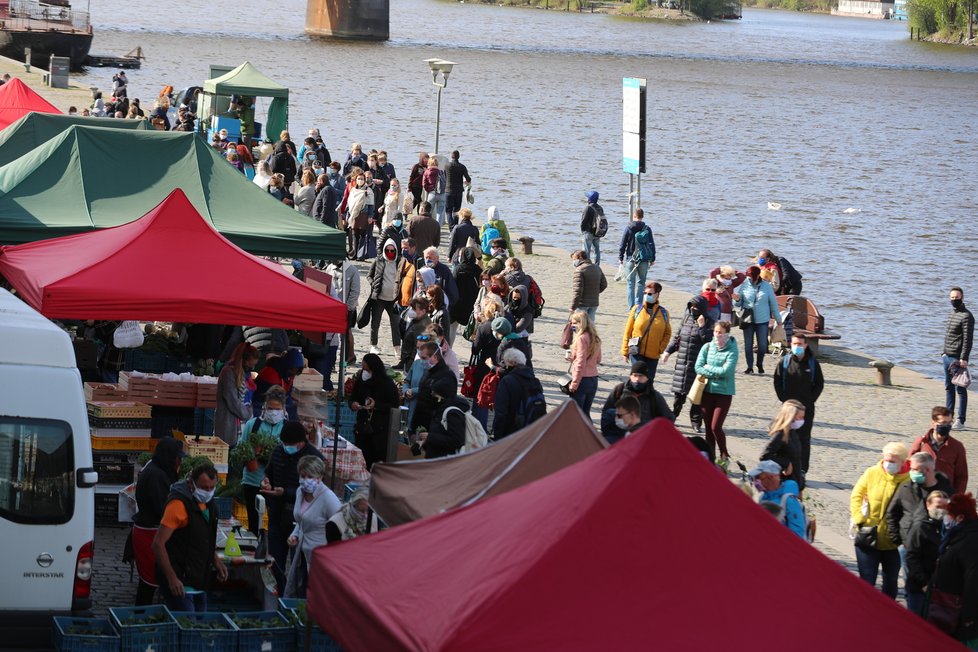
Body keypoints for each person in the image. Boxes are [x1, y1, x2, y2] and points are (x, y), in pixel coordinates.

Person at [152, 463, 228, 612]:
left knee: (200, 625)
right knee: (188, 625)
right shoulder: (178, 505)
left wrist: (215, 560)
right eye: (204, 488)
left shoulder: (209, 504)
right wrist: (172, 578)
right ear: (191, 483)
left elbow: (202, 539)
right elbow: (157, 544)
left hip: (200, 579)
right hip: (180, 580)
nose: (208, 492)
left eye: (212, 488)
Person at [261, 421, 325, 590]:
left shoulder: (314, 458)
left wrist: (286, 492)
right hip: (276, 514)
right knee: (275, 562)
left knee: (298, 565)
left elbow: (314, 489)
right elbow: (269, 471)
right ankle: (277, 595)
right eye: (284, 443)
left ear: (301, 442)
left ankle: (294, 599)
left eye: (290, 444)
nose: (286, 447)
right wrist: (266, 481)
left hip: (299, 519)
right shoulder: (278, 451)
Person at [850, 442, 910, 598]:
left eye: (893, 461)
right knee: (866, 581)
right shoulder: (872, 473)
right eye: (886, 460)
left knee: (890, 582)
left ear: (902, 462)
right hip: (868, 535)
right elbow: (856, 495)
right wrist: (859, 519)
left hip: (893, 541)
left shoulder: (908, 480)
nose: (888, 464)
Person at [131, 437, 185, 605]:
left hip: (149, 531)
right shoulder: (156, 475)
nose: (179, 462)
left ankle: (141, 616)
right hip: (149, 534)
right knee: (149, 582)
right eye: (178, 458)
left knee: (148, 583)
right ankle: (141, 618)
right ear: (170, 457)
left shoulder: (156, 469)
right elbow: (162, 509)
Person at [283, 456, 341, 598]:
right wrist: (295, 534)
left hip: (320, 558)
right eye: (303, 476)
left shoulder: (328, 498)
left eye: (310, 476)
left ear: (320, 477)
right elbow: (302, 519)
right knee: (301, 591)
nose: (306, 480)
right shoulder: (300, 492)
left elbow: (340, 526)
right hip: (302, 553)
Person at [886, 452, 952, 572]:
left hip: (936, 550)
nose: (911, 472)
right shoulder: (906, 488)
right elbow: (892, 513)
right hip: (908, 547)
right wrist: (899, 540)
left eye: (915, 469)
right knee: (911, 584)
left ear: (927, 470)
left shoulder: (946, 492)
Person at [929, 492, 978, 644]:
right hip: (947, 605)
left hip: (956, 610)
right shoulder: (960, 534)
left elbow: (973, 580)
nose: (946, 517)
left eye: (949, 514)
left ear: (960, 518)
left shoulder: (970, 540)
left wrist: (968, 617)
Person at [238, 386, 287, 534]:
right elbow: (240, 451)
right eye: (270, 408)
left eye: (277, 409)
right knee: (253, 522)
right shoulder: (252, 425)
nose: (273, 412)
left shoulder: (286, 428)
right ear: (265, 406)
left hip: (276, 485)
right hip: (253, 481)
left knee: (274, 525)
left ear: (283, 409)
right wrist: (253, 454)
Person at [773, 332, 824, 475]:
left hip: (806, 409)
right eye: (794, 344)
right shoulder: (785, 362)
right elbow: (777, 380)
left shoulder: (812, 363)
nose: (797, 346)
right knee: (784, 437)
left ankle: (802, 469)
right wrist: (783, 399)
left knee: (803, 439)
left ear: (805, 345)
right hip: (788, 409)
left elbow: (819, 384)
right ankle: (784, 466)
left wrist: (810, 400)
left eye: (800, 344)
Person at [662, 294, 714, 430]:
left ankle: (696, 421)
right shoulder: (686, 319)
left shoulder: (709, 322)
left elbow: (709, 343)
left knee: (697, 395)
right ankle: (673, 416)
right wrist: (668, 351)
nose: (693, 309)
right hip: (682, 362)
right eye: (691, 306)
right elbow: (677, 338)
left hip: (698, 364)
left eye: (696, 307)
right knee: (679, 395)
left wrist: (702, 327)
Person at [694, 321, 738, 465]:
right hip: (707, 391)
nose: (717, 335)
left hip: (724, 393)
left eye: (721, 332)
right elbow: (698, 367)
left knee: (715, 427)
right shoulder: (707, 347)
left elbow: (727, 371)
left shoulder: (732, 349)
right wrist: (715, 372)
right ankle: (710, 459)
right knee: (708, 429)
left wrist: (709, 369)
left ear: (727, 333)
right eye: (716, 332)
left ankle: (724, 454)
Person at [600, 361, 675, 444]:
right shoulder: (619, 390)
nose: (637, 379)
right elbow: (606, 412)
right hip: (618, 437)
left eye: (641, 376)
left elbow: (669, 418)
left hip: (643, 440)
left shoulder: (654, 396)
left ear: (647, 378)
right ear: (630, 376)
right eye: (635, 375)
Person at [349, 354, 401, 470]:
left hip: (379, 431)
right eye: (364, 369)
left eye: (367, 369)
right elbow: (353, 398)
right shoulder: (360, 382)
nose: (365, 372)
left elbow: (394, 404)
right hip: (362, 428)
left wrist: (376, 405)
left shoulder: (387, 384)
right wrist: (353, 404)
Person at [903, 490, 950, 615]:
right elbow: (912, 557)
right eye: (938, 506)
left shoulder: (946, 528)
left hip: (938, 588)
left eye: (944, 507)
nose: (941, 510)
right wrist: (923, 583)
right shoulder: (920, 527)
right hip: (920, 588)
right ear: (928, 505)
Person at [733, 264, 781, 375]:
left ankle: (759, 363)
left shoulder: (767, 286)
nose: (749, 279)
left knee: (763, 345)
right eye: (748, 277)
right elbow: (739, 303)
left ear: (757, 275)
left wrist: (778, 320)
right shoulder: (745, 285)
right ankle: (749, 367)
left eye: (751, 277)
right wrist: (737, 300)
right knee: (748, 345)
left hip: (762, 320)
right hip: (748, 319)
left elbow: (773, 304)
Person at [909, 406, 969, 494]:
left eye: (949, 423)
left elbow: (961, 476)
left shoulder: (957, 447)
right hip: (922, 492)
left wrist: (957, 497)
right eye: (943, 422)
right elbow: (908, 466)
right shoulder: (922, 442)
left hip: (945, 495)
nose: (946, 426)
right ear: (933, 423)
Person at [620, 281, 671, 380]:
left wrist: (660, 348)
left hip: (653, 353)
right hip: (636, 352)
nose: (647, 296)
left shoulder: (664, 313)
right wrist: (625, 351)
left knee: (648, 380)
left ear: (657, 295)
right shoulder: (637, 309)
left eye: (650, 294)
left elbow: (667, 333)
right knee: (637, 380)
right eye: (645, 293)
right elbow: (628, 331)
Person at [493, 348, 544, 439]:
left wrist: (498, 435)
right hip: (532, 430)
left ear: (512, 363)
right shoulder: (534, 380)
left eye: (505, 362)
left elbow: (501, 412)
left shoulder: (507, 381)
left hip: (511, 431)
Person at [214, 343, 258, 446]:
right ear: (243, 361)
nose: (253, 368)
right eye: (250, 365)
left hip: (239, 424)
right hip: (229, 424)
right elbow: (232, 401)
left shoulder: (244, 375)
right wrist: (247, 414)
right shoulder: (228, 373)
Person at [410, 342, 458, 435]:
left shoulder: (447, 378)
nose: (421, 361)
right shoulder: (429, 371)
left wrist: (432, 433)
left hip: (432, 428)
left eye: (424, 358)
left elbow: (444, 407)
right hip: (421, 424)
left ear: (435, 357)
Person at [750, 460, 806, 539]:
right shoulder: (762, 497)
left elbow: (798, 533)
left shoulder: (789, 500)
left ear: (770, 478)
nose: (756, 482)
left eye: (758, 478)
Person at [943, 287, 974, 430]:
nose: (954, 300)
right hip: (947, 357)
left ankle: (960, 420)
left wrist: (964, 358)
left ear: (962, 297)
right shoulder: (952, 314)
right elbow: (949, 335)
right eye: (952, 298)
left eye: (956, 297)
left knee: (960, 389)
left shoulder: (967, 316)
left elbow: (967, 340)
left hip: (957, 358)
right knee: (949, 388)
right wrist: (943, 352)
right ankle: (948, 417)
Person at [760, 400, 806, 491]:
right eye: (799, 417)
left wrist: (800, 486)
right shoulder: (781, 434)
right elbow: (765, 456)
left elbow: (797, 460)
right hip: (782, 484)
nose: (801, 421)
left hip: (794, 484)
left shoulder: (793, 433)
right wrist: (786, 463)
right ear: (791, 417)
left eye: (802, 418)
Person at [366, 240, 402, 355]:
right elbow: (369, 275)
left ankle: (397, 347)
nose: (390, 252)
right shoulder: (378, 261)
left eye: (392, 250)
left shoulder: (399, 262)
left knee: (395, 324)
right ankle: (374, 345)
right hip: (379, 298)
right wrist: (374, 284)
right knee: (375, 323)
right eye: (387, 250)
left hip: (394, 300)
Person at [618, 208, 656, 310]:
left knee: (630, 284)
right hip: (643, 260)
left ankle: (631, 307)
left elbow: (623, 244)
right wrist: (652, 259)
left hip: (631, 259)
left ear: (634, 216)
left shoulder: (628, 228)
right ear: (642, 216)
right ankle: (639, 305)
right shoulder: (647, 229)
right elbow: (652, 244)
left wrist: (620, 257)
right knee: (641, 283)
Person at [567, 310, 602, 418]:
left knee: (576, 415)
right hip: (593, 379)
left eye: (573, 323)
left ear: (580, 323)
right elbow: (598, 359)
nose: (572, 326)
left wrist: (575, 383)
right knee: (585, 414)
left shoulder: (581, 338)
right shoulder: (595, 337)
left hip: (583, 380)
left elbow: (581, 363)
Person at [451, 247, 482, 343]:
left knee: (452, 329)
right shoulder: (477, 269)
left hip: (458, 304)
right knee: (474, 330)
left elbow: (452, 286)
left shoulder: (458, 269)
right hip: (472, 303)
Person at [570, 249, 607, 323]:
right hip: (594, 302)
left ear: (580, 257)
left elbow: (577, 291)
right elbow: (604, 284)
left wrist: (573, 307)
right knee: (590, 326)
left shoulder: (579, 270)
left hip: (582, 303)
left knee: (580, 326)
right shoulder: (597, 268)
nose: (573, 262)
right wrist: (594, 292)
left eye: (574, 259)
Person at [397, 296, 432, 371]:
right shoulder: (417, 319)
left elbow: (418, 346)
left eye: (414, 309)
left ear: (423, 311)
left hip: (411, 360)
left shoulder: (423, 325)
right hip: (406, 357)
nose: (411, 311)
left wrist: (410, 363)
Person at [444, 150, 471, 227]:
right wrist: (465, 181)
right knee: (456, 210)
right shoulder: (462, 167)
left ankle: (451, 227)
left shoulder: (447, 166)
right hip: (458, 191)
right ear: (458, 157)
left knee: (448, 211)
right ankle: (455, 226)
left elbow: (445, 176)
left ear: (451, 156)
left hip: (448, 190)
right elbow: (468, 179)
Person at [579, 190, 605, 266]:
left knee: (586, 250)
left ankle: (587, 265)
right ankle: (597, 266)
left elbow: (583, 221)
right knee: (597, 250)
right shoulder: (600, 208)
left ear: (589, 199)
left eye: (587, 197)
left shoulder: (588, 208)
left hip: (588, 232)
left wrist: (583, 231)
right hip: (597, 232)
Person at [421, 156, 447, 226]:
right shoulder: (440, 172)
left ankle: (429, 227)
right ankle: (438, 228)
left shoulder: (426, 172)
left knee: (429, 212)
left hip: (432, 194)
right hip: (442, 194)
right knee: (440, 213)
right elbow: (445, 182)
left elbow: (424, 184)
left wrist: (429, 190)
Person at [398, 238, 419, 309]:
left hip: (411, 304)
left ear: (413, 248)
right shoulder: (402, 260)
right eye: (402, 248)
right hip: (401, 302)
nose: (403, 251)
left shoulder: (419, 263)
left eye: (406, 248)